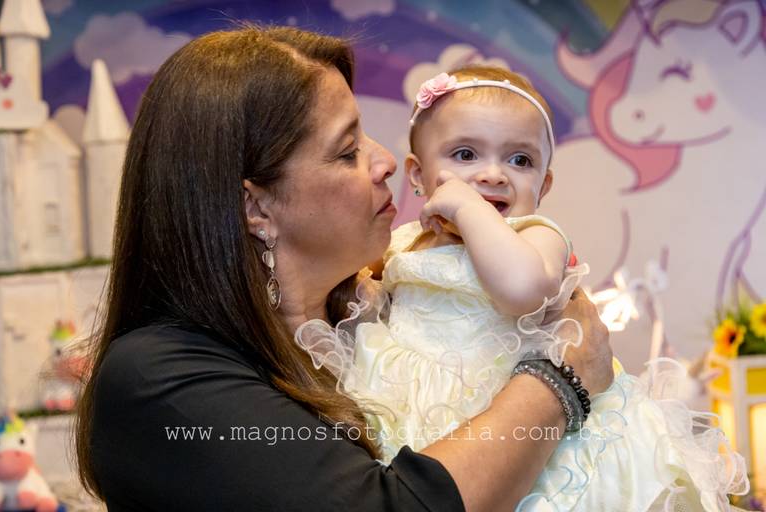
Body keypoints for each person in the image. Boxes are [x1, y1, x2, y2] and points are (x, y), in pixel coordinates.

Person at [73, 26, 615, 511]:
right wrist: (559, 381)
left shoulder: (368, 313)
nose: (386, 163)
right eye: (348, 149)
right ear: (256, 207)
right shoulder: (159, 378)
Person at [295, 66, 750, 511]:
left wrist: (467, 207)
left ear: (544, 184)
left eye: (520, 160)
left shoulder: (536, 236)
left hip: (522, 417)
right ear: (417, 174)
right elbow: (372, 295)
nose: (493, 174)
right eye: (465, 155)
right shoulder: (405, 241)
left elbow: (522, 290)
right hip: (414, 412)